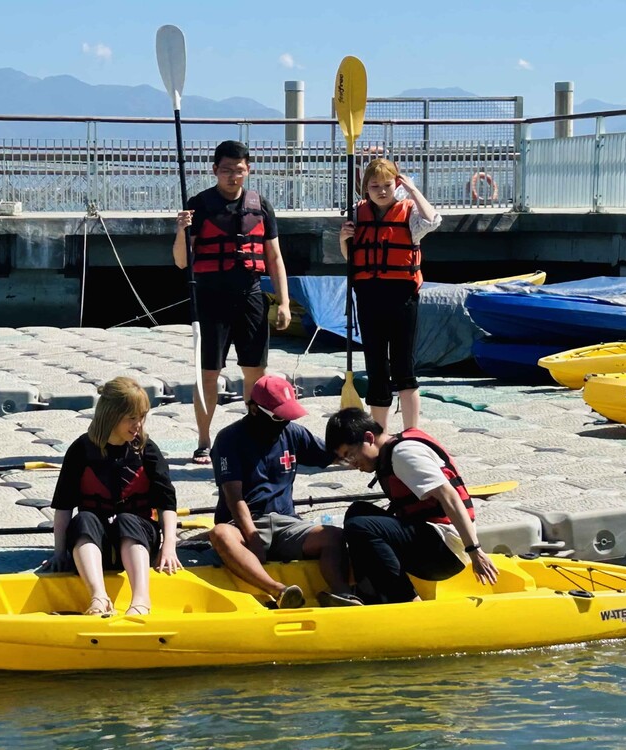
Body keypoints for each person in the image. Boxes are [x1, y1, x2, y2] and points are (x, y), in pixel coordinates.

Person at [174, 140, 292, 464]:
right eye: (226, 170)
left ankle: (252, 433)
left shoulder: (261, 206)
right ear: (215, 170)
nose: (233, 176)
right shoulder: (199, 205)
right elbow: (182, 261)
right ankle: (203, 440)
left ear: (248, 170)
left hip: (251, 296)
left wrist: (283, 302)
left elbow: (275, 257)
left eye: (239, 170)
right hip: (211, 299)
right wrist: (180, 230)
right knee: (208, 374)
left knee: (255, 372)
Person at [208, 374, 359, 608]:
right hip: (245, 523)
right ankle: (278, 591)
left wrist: (370, 452)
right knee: (219, 534)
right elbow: (233, 496)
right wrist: (252, 537)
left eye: (289, 416)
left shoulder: (293, 432)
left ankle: (342, 594)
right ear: (254, 410)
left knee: (333, 536)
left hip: (287, 522)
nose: (284, 422)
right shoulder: (229, 439)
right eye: (279, 416)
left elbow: (334, 453)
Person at [324, 407, 498, 604]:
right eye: (345, 460)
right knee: (357, 511)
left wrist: (475, 550)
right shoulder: (392, 452)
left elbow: (449, 496)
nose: (353, 464)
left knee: (361, 527)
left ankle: (407, 600)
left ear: (369, 438)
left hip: (446, 552)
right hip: (429, 538)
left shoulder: (403, 454)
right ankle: (369, 592)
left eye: (351, 454)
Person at [49, 376, 182, 616]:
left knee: (127, 520)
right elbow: (64, 507)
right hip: (96, 543)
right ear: (110, 415)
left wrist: (169, 547)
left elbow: (166, 504)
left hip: (138, 539)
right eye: (132, 418)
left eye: (142, 417)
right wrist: (59, 553)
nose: (138, 424)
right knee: (84, 519)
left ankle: (141, 600)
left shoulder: (147, 450)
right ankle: (98, 596)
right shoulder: (80, 450)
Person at [338, 158, 442, 432]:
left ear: (396, 185)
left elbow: (432, 221)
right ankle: (380, 434)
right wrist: (342, 239)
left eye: (387, 185)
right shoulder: (357, 214)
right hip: (369, 296)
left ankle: (412, 432)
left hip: (402, 297)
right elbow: (353, 259)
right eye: (375, 186)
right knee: (376, 366)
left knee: (403, 366)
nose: (382, 191)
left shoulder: (409, 213)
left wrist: (412, 190)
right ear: (366, 188)